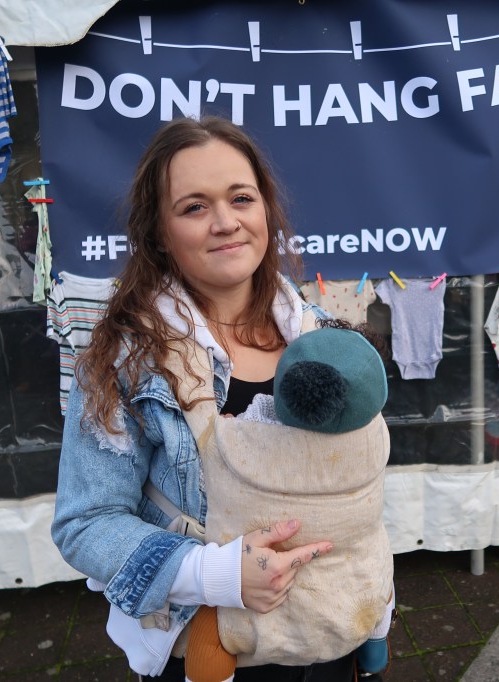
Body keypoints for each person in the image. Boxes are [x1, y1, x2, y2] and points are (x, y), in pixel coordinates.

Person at [51, 116, 369, 681]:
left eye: (241, 198)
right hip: (210, 652)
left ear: (265, 209)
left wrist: (375, 593)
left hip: (329, 632)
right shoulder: (125, 362)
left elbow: (355, 480)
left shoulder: (321, 336)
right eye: (194, 207)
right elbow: (86, 522)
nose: (226, 222)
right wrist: (216, 574)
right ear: (159, 233)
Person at [185, 321, 395, 682]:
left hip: (251, 606)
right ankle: (375, 649)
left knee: (209, 626)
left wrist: (228, 425)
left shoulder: (248, 430)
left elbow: (218, 446)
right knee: (379, 572)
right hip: (353, 592)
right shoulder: (374, 436)